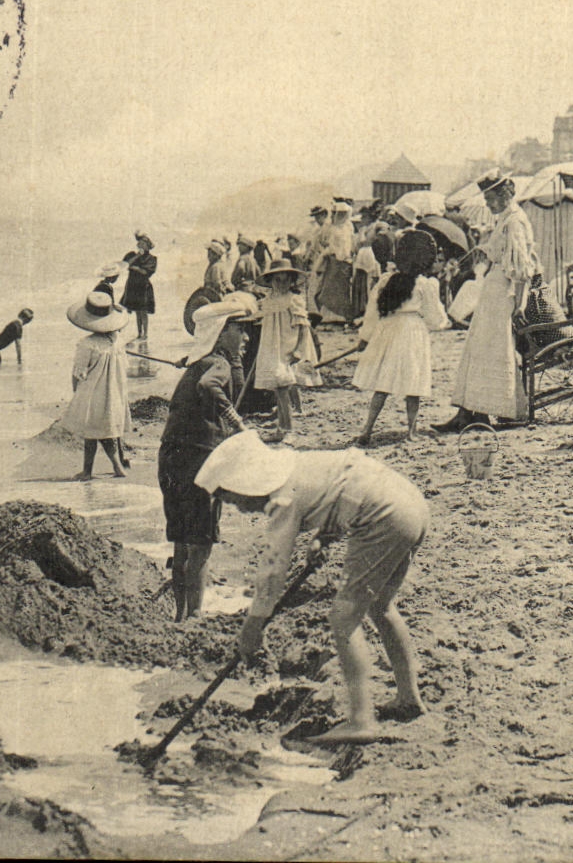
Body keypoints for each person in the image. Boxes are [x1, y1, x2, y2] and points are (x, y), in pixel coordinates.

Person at [197, 429, 428, 744]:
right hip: (409, 503)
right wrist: (325, 537)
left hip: (383, 517)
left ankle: (361, 721)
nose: (238, 507)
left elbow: (273, 569)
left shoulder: (282, 496)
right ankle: (408, 698)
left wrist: (253, 625)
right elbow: (342, 490)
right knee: (380, 606)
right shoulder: (297, 465)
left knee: (344, 618)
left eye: (231, 498)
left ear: (245, 481)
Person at [159, 295, 257, 621]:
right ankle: (196, 615)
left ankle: (180, 614)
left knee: (182, 544)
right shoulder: (217, 366)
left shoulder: (202, 361)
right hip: (200, 461)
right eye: (239, 330)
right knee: (200, 545)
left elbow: (229, 385)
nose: (246, 338)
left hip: (171, 457)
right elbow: (211, 387)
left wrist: (232, 359)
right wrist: (236, 421)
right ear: (221, 331)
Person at [436, 172, 540, 430]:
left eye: (491, 198)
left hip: (504, 294)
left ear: (506, 195)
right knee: (478, 349)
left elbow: (522, 268)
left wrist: (520, 303)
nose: (488, 204)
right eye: (486, 198)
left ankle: (483, 412)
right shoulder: (504, 220)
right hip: (493, 291)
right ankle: (468, 412)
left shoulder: (514, 221)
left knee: (491, 352)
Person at [354, 230, 450, 445]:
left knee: (383, 384)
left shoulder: (386, 280)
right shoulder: (425, 284)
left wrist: (365, 337)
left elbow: (372, 312)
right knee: (413, 383)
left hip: (388, 330)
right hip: (412, 332)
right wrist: (442, 323)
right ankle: (411, 431)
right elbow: (435, 318)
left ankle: (367, 429)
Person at [60, 291, 131, 480]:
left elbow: (78, 373)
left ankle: (88, 471)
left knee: (91, 433)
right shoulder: (118, 342)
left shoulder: (87, 344)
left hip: (93, 393)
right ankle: (116, 467)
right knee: (108, 431)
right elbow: (124, 368)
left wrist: (76, 391)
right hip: (114, 392)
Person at [252, 261, 316, 441]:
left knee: (283, 388)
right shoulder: (268, 301)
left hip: (288, 346)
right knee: (279, 385)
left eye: (285, 280)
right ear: (271, 281)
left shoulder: (293, 300)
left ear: (291, 282)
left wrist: (298, 350)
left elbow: (304, 327)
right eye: (277, 280)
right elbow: (257, 314)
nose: (281, 284)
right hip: (272, 346)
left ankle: (287, 430)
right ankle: (283, 423)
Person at [121, 232, 157, 343]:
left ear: (148, 245)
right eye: (140, 243)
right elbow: (125, 265)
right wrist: (137, 256)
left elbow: (146, 272)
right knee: (137, 311)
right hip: (133, 286)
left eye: (143, 244)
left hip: (143, 286)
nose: (141, 245)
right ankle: (139, 333)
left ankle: (145, 334)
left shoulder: (152, 258)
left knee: (143, 311)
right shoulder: (132, 255)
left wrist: (135, 268)